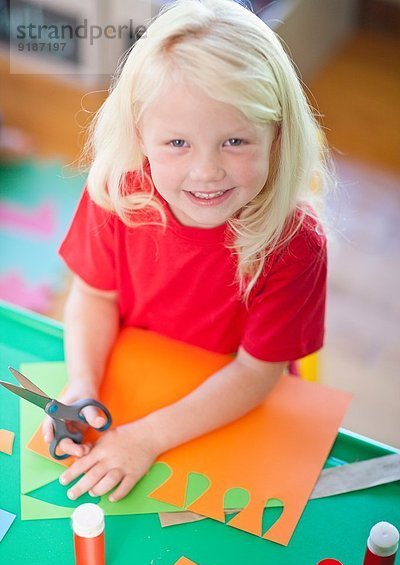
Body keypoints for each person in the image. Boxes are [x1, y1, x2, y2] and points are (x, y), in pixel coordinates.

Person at [42, 0, 331, 503]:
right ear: (140, 135)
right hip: (136, 379)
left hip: (233, 407)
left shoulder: (295, 245)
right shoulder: (117, 193)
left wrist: (147, 437)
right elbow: (94, 297)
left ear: (277, 136)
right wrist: (82, 384)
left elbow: (255, 373)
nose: (206, 172)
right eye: (177, 142)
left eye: (235, 141)